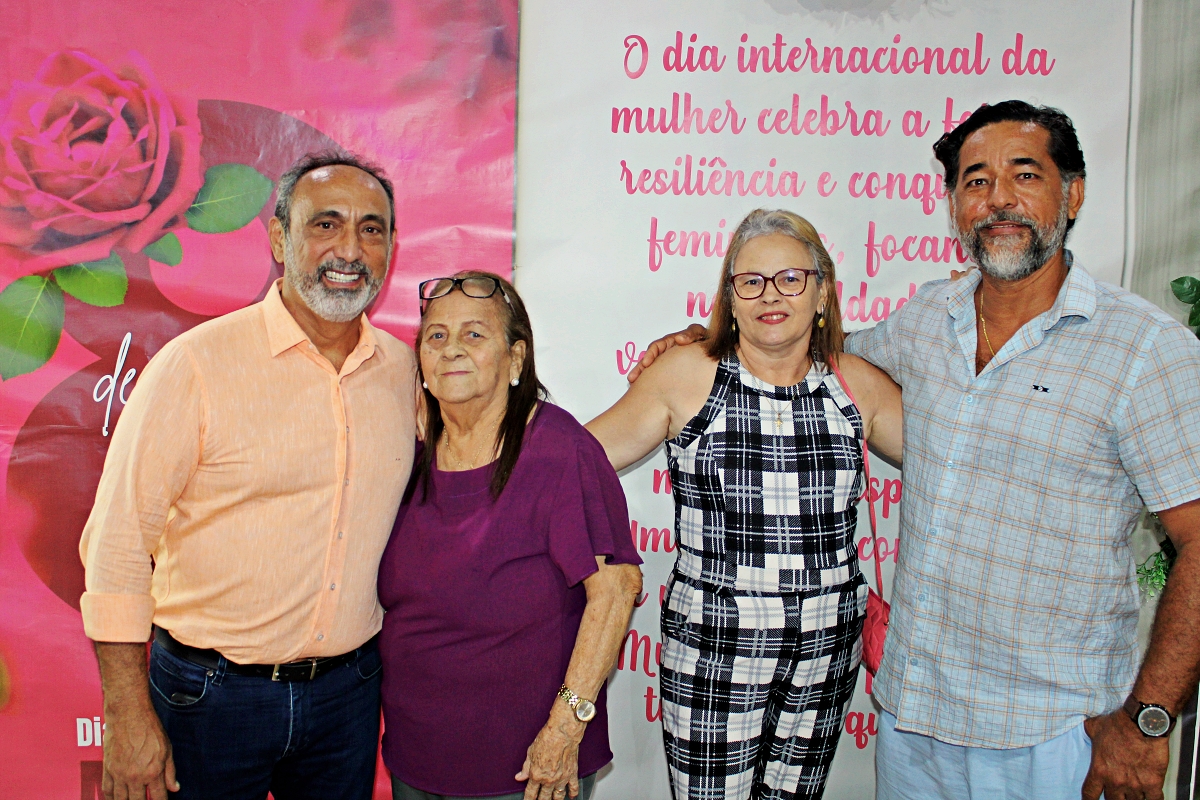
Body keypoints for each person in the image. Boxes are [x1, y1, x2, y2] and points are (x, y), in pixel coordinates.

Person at [630, 101, 1200, 800]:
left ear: (1073, 193)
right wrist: (710, 339)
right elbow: (805, 351)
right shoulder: (928, 319)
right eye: (975, 181)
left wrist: (1147, 720)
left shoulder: (1146, 349)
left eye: (1025, 175)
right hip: (915, 724)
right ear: (954, 205)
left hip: (1052, 735)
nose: (998, 199)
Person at [79, 151, 416, 800]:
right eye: (326, 224)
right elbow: (117, 544)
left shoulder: (405, 374)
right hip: (209, 698)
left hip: (349, 699)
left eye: (371, 229)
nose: (350, 249)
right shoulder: (195, 366)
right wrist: (124, 714)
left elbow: (498, 451)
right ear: (279, 239)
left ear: (391, 249)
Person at [586, 209, 903, 800]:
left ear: (822, 293)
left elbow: (954, 463)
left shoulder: (856, 384)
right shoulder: (687, 374)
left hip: (826, 654)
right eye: (751, 281)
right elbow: (577, 460)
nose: (770, 295)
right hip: (712, 647)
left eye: (791, 278)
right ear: (730, 298)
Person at [378, 271, 643, 800]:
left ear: (516, 359)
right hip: (414, 757)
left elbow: (616, 589)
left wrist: (565, 728)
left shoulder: (559, 450)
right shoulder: (407, 455)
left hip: (526, 769)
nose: (452, 348)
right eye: (436, 335)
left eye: (474, 334)